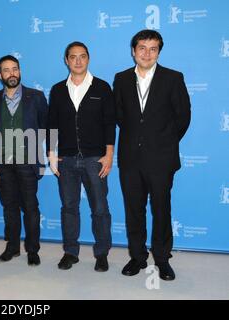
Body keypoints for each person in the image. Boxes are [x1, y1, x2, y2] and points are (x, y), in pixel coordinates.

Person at [113, 30, 191, 281]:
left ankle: (162, 259)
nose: (147, 53)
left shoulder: (173, 78)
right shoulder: (122, 79)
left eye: (153, 48)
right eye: (142, 48)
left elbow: (183, 117)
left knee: (161, 209)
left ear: (159, 51)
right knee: (133, 210)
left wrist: (163, 142)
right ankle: (137, 257)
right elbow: (120, 116)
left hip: (161, 158)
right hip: (130, 159)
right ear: (133, 50)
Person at [48, 42, 115, 272]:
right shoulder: (57, 90)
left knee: (99, 207)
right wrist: (51, 152)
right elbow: (52, 123)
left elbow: (109, 124)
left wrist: (109, 155)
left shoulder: (102, 88)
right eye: (73, 57)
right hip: (65, 160)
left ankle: (102, 252)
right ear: (66, 60)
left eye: (82, 56)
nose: (78, 61)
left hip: (95, 158)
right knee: (69, 207)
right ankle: (70, 252)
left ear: (88, 59)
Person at [0, 55, 48, 266]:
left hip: (28, 161)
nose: (11, 73)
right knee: (9, 206)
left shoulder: (37, 97)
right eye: (6, 70)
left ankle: (33, 250)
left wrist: (47, 155)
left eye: (15, 69)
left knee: (31, 207)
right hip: (4, 163)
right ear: (0, 75)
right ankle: (12, 247)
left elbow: (45, 128)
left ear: (20, 71)